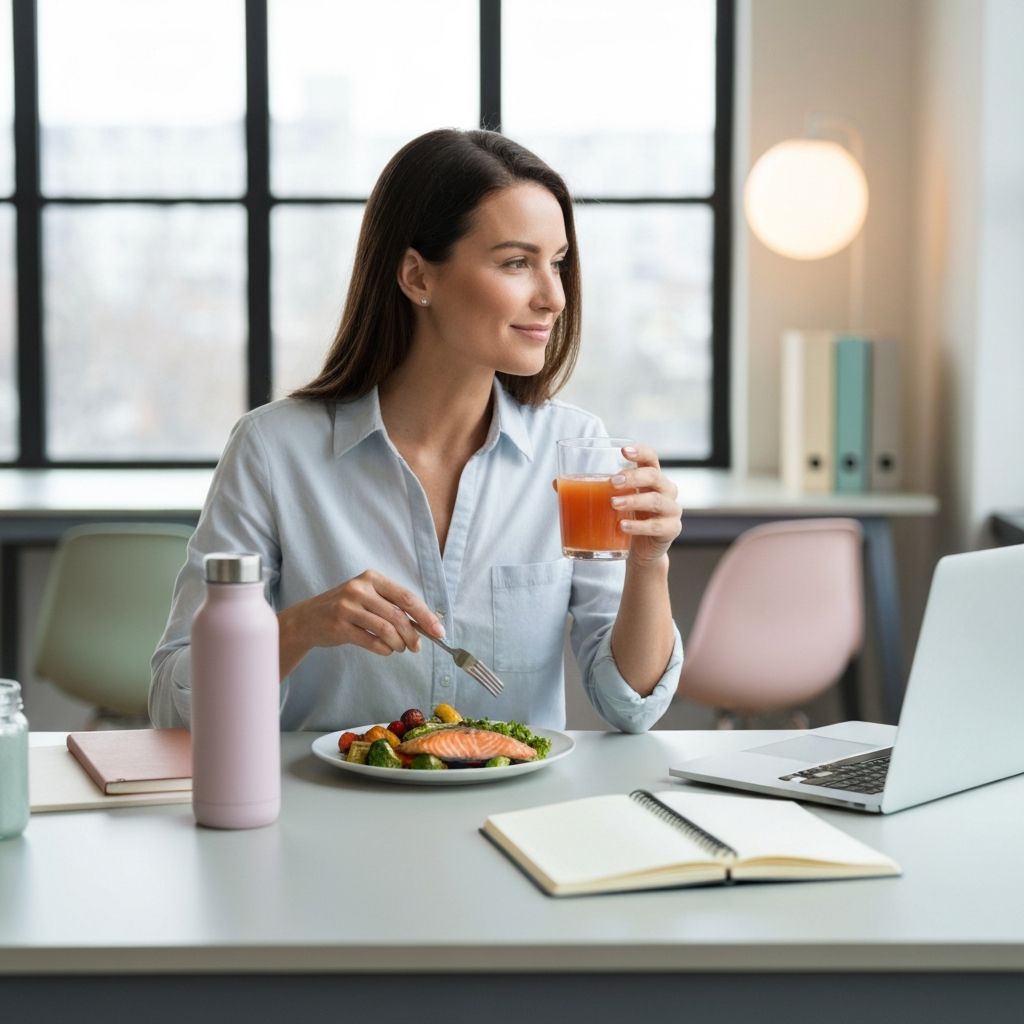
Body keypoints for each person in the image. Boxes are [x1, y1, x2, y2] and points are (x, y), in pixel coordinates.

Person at [150, 128, 683, 734]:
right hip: (326, 817)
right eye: (516, 263)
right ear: (417, 277)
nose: (554, 297)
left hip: (511, 819)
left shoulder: (574, 452)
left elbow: (631, 705)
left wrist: (649, 565)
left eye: (557, 263)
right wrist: (300, 628)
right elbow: (174, 704)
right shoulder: (273, 451)